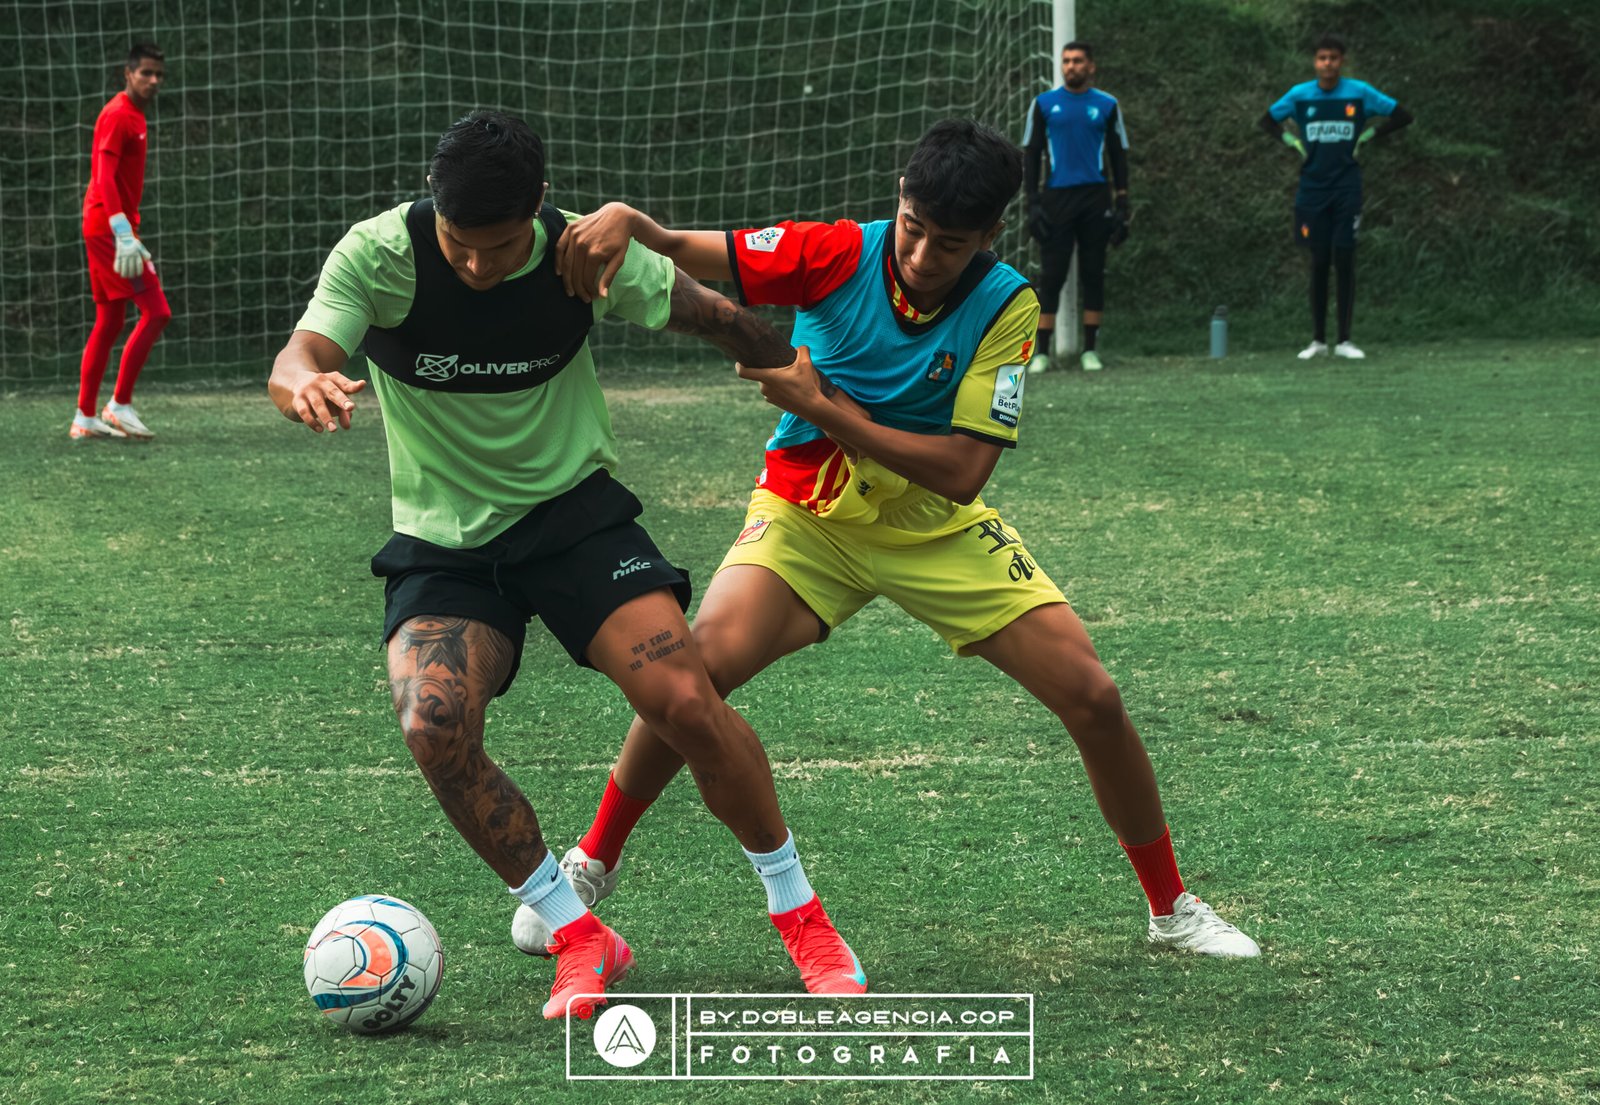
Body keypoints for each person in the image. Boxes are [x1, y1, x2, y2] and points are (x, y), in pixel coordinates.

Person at [521, 119, 1259, 960]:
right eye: (912, 227)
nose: (920, 255)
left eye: (949, 243)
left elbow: (962, 472)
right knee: (692, 673)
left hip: (931, 526)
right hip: (809, 516)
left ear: (987, 237)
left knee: (1093, 696)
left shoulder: (1008, 303)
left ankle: (1171, 907)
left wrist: (820, 402)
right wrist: (629, 220)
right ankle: (590, 864)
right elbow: (694, 247)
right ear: (898, 204)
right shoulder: (835, 250)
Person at [267, 111, 867, 1020]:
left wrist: (807, 391)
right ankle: (574, 928)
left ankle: (801, 916)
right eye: (459, 245)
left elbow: (720, 318)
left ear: (541, 211)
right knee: (431, 724)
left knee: (685, 701)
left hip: (575, 520)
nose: (474, 264)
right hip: (447, 543)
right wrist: (302, 381)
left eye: (499, 247)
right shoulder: (379, 255)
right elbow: (301, 352)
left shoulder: (585, 255)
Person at [1259, 34, 1413, 361]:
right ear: (1315, 62)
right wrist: (1293, 143)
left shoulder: (1359, 93)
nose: (1327, 63)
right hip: (1312, 189)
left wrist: (1368, 135)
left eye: (1333, 58)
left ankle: (1344, 340)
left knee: (1344, 259)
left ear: (1341, 61)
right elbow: (1267, 121)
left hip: (1347, 186)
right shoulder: (1300, 96)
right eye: (1321, 58)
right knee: (1318, 262)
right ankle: (1317, 341)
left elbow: (1402, 115)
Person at [73, 43, 173, 441]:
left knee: (110, 320)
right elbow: (103, 174)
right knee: (157, 311)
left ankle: (84, 417)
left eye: (158, 75)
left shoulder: (133, 114)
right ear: (127, 73)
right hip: (110, 232)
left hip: (108, 228)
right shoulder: (117, 114)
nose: (152, 81)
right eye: (146, 73)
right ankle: (119, 405)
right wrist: (122, 233)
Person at [1022, 41, 1129, 375]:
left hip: (1095, 197)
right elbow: (1032, 152)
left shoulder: (1108, 105)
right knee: (1051, 275)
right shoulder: (1043, 104)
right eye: (1066, 61)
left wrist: (1123, 202)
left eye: (1078, 60)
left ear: (1091, 66)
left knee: (1093, 272)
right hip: (1056, 197)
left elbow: (1118, 153)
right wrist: (1032, 203)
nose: (1071, 66)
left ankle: (1089, 350)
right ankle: (1042, 352)